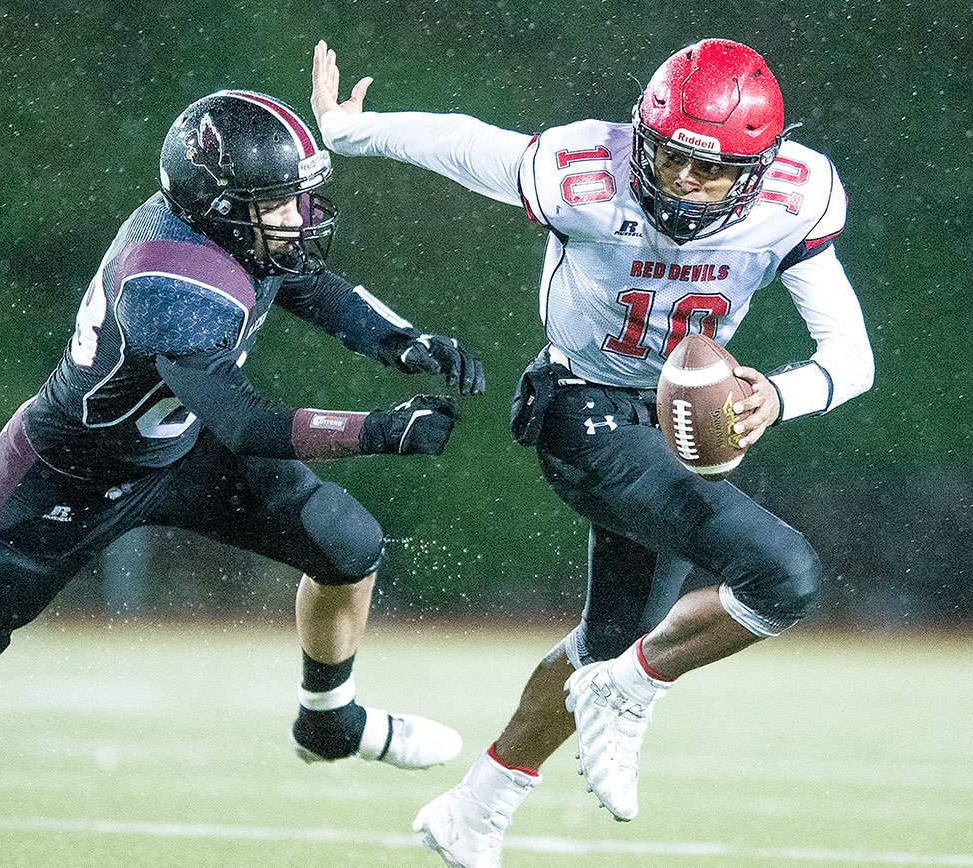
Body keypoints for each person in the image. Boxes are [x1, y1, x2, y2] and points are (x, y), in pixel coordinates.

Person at [0, 89, 484, 865]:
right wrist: (380, 430)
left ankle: (329, 721)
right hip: (69, 476)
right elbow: (247, 421)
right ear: (218, 207)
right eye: (279, 200)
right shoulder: (168, 278)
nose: (299, 213)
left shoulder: (233, 235)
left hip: (179, 449)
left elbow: (310, 286)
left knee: (346, 545)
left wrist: (403, 342)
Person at [310, 37, 873, 866]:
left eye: (709, 170)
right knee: (782, 575)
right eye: (671, 155)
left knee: (606, 642)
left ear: (759, 170)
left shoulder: (797, 200)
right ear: (642, 134)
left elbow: (851, 357)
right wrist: (348, 131)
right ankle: (635, 688)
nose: (684, 180)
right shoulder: (583, 168)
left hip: (674, 425)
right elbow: (468, 145)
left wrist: (779, 395)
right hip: (581, 411)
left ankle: (476, 808)